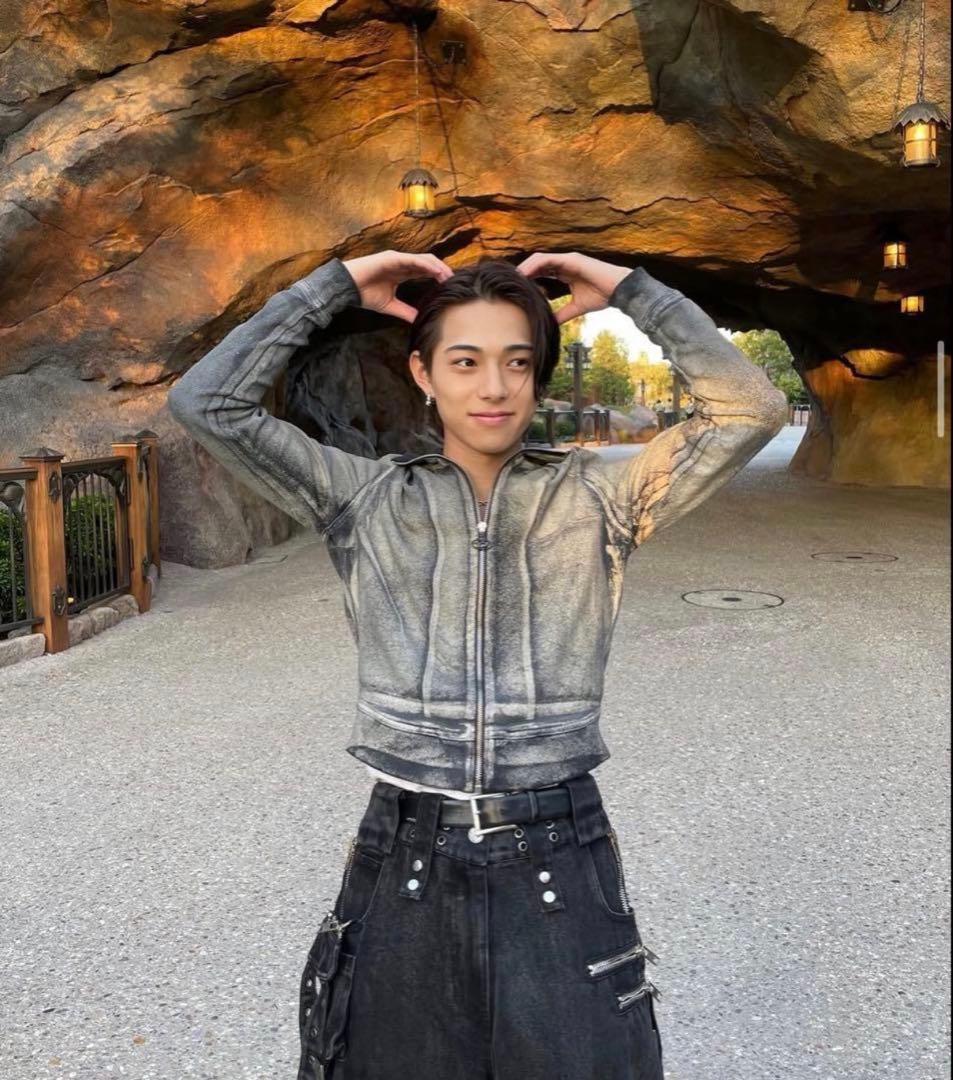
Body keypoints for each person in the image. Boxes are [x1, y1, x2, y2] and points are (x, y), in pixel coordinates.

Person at [167, 249, 788, 1079]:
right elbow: (206, 401)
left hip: (559, 848)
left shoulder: (598, 499)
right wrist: (332, 288)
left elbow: (748, 408)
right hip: (406, 851)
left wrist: (629, 292)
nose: (493, 388)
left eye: (516, 362)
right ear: (422, 374)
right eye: (464, 362)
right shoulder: (364, 498)